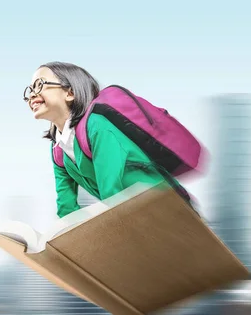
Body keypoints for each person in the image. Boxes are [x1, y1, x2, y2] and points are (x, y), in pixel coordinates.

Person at [25, 61, 182, 218]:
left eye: (39, 85)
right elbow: (66, 208)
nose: (32, 94)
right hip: (135, 217)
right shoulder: (58, 150)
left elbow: (111, 193)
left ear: (70, 93)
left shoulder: (98, 126)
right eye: (30, 90)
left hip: (171, 211)